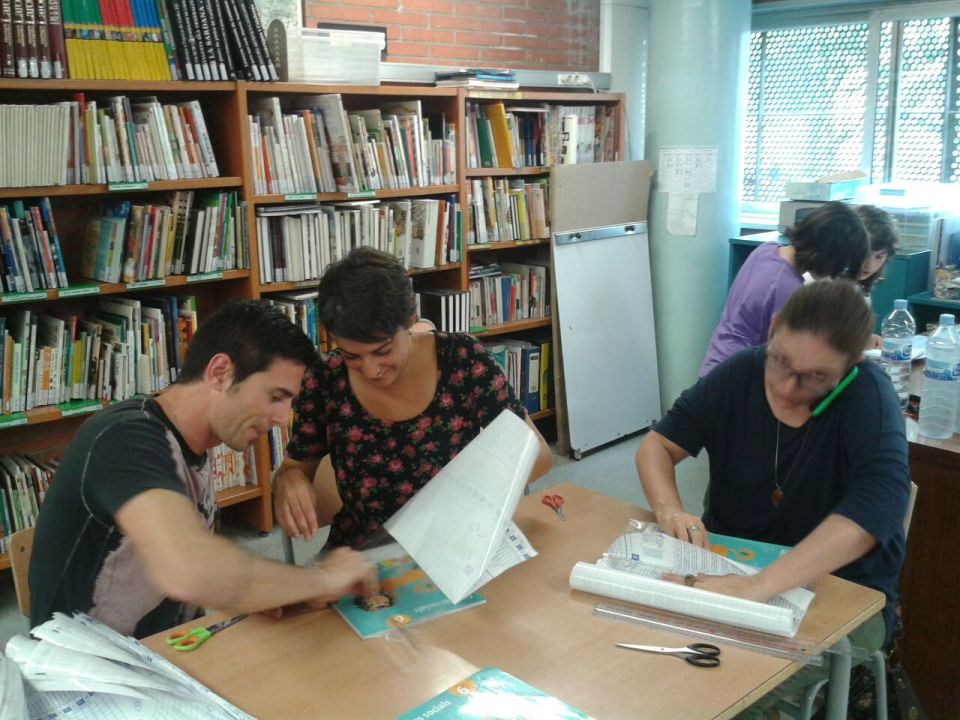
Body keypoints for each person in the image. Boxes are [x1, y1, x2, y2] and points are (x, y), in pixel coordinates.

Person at [637, 280, 909, 717]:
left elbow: (876, 510)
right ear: (773, 327)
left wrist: (757, 587)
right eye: (781, 361)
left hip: (840, 590)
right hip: (731, 564)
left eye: (816, 377)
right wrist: (669, 510)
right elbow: (658, 446)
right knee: (643, 663)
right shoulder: (741, 372)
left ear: (851, 364)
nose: (786, 387)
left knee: (717, 697)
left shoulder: (867, 397)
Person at [29, 301, 377, 639]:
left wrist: (265, 590)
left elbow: (200, 573)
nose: (283, 419)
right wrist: (321, 581)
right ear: (220, 373)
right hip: (88, 671)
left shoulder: (193, 442)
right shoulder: (125, 438)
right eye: (275, 397)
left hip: (167, 652)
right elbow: (190, 570)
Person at [273, 247, 553, 550]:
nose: (371, 369)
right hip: (365, 552)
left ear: (410, 318)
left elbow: (538, 455)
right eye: (351, 355)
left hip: (456, 544)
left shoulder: (462, 360)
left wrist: (474, 486)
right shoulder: (326, 378)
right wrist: (290, 481)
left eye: (382, 350)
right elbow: (294, 469)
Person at [699, 201, 869, 376]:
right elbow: (796, 353)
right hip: (737, 377)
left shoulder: (766, 250)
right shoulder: (786, 289)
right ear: (826, 255)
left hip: (716, 363)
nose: (833, 275)